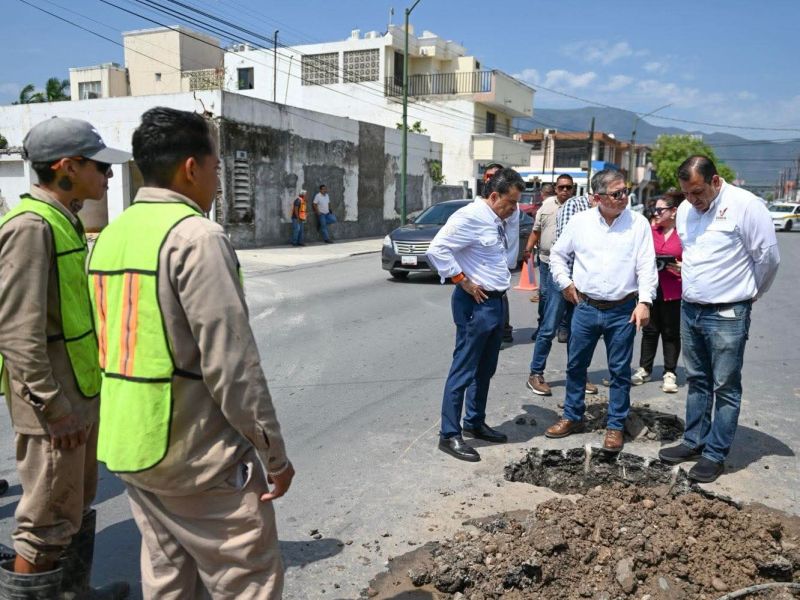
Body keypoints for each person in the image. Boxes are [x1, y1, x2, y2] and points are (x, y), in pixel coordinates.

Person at [88, 107, 293, 598]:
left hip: (132, 446)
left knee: (169, 578)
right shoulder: (196, 237)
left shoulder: (111, 235)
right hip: (196, 457)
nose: (218, 181)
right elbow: (233, 368)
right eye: (216, 167)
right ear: (190, 168)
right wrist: (274, 456)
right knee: (249, 583)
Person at [0, 117, 130, 598]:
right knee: (46, 522)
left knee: (72, 507)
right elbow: (18, 332)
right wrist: (55, 408)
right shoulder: (30, 227)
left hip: (76, 396)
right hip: (54, 406)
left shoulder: (63, 220)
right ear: (67, 167)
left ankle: (75, 592)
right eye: (100, 166)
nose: (109, 175)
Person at [658, 156, 780, 483]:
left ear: (715, 181)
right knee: (697, 379)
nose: (692, 200)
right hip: (691, 308)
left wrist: (750, 294)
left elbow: (768, 259)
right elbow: (694, 255)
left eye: (697, 192)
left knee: (724, 385)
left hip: (727, 313)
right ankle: (694, 440)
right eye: (686, 193)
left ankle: (714, 454)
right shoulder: (686, 210)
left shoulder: (746, 206)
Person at [545, 169, 658, 452]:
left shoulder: (638, 224)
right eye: (616, 193)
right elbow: (557, 255)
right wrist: (564, 283)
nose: (624, 197)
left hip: (623, 310)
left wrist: (645, 301)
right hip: (585, 307)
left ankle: (615, 425)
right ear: (597, 198)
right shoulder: (580, 222)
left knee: (619, 371)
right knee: (576, 366)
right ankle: (572, 416)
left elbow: (647, 265)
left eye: (625, 191)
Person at [426, 168, 524, 462]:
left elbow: (505, 257)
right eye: (511, 203)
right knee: (464, 369)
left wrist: (510, 216)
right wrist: (461, 280)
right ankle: (449, 434)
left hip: (496, 302)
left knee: (485, 368)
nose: (514, 209)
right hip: (475, 304)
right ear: (494, 196)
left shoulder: (497, 218)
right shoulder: (469, 217)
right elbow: (437, 249)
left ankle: (474, 421)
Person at [525, 174, 599, 396]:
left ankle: (577, 375)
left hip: (583, 279)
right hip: (561, 275)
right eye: (561, 187)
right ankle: (535, 373)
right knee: (549, 327)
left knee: (578, 331)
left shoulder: (608, 213)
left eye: (569, 187)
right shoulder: (573, 207)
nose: (565, 190)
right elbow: (564, 244)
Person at [631, 190, 684, 393]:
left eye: (660, 210)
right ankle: (645, 368)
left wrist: (682, 267)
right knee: (649, 330)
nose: (656, 213)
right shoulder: (651, 232)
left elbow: (695, 259)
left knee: (671, 332)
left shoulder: (684, 234)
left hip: (674, 289)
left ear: (673, 211)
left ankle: (670, 372)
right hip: (651, 289)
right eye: (655, 209)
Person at [476, 163, 519, 344]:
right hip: (487, 264)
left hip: (501, 258)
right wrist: (460, 279)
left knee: (499, 295)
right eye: (488, 176)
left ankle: (503, 331)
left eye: (495, 176)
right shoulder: (478, 208)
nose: (490, 179)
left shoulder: (508, 206)